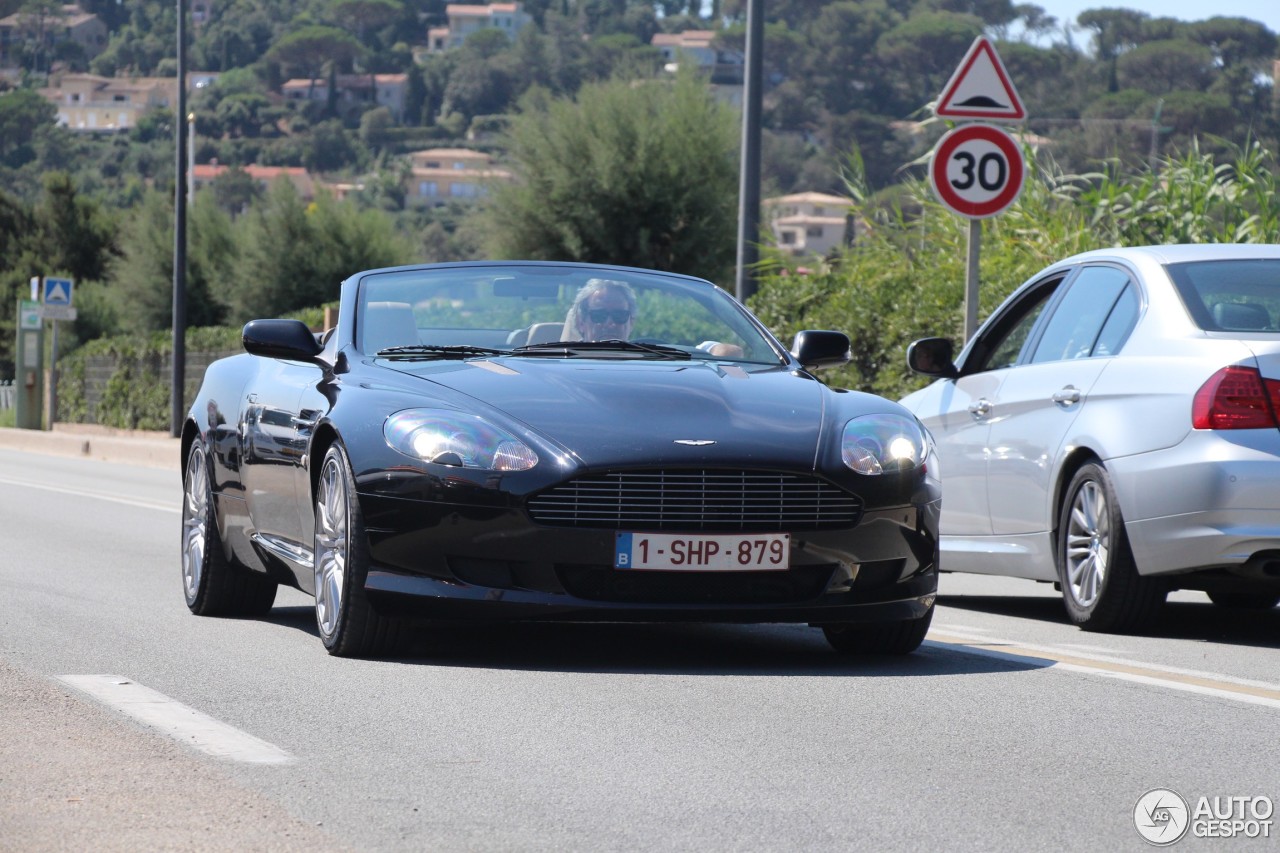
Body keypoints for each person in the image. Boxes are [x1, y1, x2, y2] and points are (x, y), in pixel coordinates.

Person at [563, 278, 637, 342]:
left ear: (631, 323)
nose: (610, 324)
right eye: (599, 315)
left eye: (619, 315)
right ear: (580, 322)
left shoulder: (645, 356)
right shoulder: (564, 358)